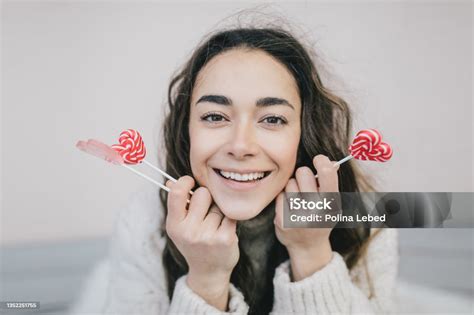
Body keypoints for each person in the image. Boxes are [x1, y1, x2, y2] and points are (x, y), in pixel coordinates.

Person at [69, 27, 398, 315]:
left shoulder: (367, 220)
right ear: (187, 131)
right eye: (214, 117)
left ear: (304, 132)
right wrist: (206, 281)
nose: (241, 146)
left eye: (272, 119)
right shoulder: (142, 223)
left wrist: (312, 254)